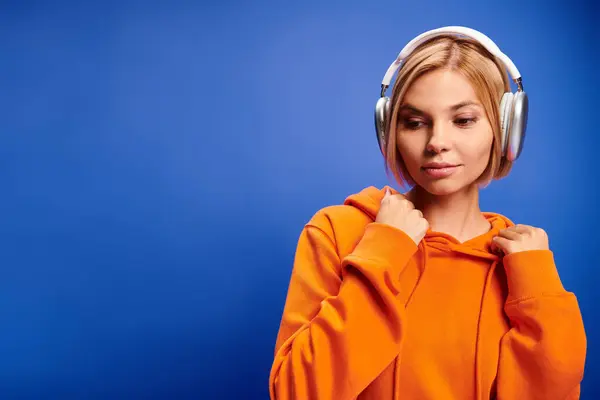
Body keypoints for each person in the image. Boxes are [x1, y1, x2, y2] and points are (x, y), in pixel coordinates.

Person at [268, 26, 587, 400]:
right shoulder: (338, 232)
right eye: (415, 122)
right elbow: (296, 393)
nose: (437, 143)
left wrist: (539, 290)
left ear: (505, 128)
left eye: (464, 120)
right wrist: (384, 250)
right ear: (390, 130)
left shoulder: (524, 262)